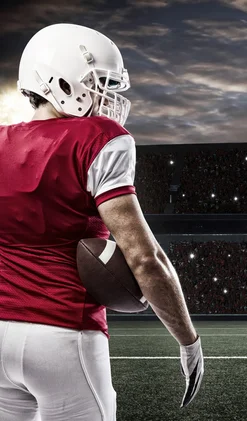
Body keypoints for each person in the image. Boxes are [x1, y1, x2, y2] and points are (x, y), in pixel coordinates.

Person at [0, 23, 203, 420]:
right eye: (99, 83)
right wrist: (188, 340)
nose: (107, 96)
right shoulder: (98, 137)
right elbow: (145, 259)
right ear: (60, 79)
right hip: (62, 332)